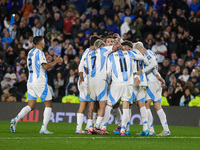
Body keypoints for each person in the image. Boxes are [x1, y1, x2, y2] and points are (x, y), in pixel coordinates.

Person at [10, 36, 63, 134]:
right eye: (43, 41)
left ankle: (16, 119)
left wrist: (46, 59)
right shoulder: (40, 52)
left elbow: (38, 64)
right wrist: (56, 61)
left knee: (31, 105)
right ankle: (43, 129)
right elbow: (46, 67)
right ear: (40, 43)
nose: (44, 43)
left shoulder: (30, 52)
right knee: (48, 104)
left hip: (30, 81)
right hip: (39, 81)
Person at [84, 39, 121, 134]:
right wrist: (118, 40)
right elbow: (116, 47)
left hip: (90, 80)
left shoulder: (89, 54)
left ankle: (89, 127)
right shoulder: (104, 50)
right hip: (101, 80)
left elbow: (85, 67)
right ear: (101, 45)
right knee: (102, 104)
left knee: (91, 104)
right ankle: (97, 126)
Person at [135, 41, 171, 136]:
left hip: (151, 82)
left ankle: (150, 130)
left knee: (145, 106)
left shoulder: (146, 54)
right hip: (156, 81)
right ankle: (165, 129)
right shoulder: (151, 52)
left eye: (137, 52)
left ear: (140, 49)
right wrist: (158, 76)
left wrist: (142, 71)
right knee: (157, 106)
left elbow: (153, 64)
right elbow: (154, 66)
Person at [76, 35, 101, 134]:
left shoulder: (86, 51)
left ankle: (79, 128)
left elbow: (81, 64)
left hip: (82, 81)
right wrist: (82, 77)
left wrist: (81, 77)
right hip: (88, 81)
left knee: (83, 104)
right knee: (93, 103)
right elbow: (82, 65)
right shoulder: (93, 53)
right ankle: (89, 126)